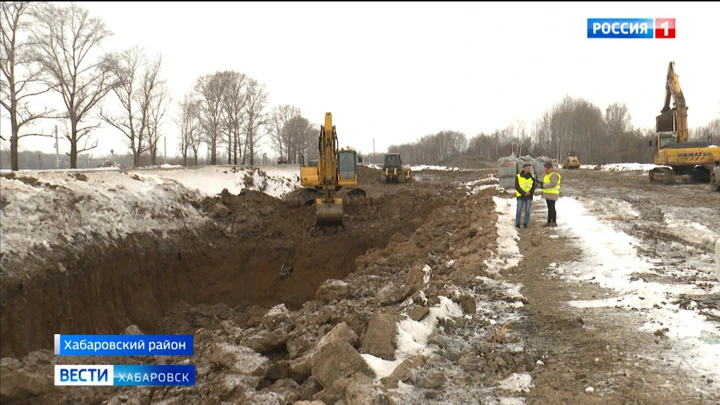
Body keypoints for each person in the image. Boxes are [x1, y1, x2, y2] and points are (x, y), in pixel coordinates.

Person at [540, 161, 562, 227]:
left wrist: (544, 185)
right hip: (548, 194)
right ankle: (549, 221)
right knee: (550, 208)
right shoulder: (548, 174)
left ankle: (554, 221)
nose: (544, 169)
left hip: (552, 194)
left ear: (549, 168)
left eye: (545, 168)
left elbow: (553, 183)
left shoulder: (553, 174)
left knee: (552, 208)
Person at [514, 162, 536, 228]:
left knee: (527, 210)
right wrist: (523, 193)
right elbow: (517, 186)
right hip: (521, 196)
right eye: (527, 168)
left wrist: (530, 192)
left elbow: (533, 186)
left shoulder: (532, 176)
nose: (528, 169)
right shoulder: (518, 176)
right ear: (523, 168)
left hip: (529, 196)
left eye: (529, 168)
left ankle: (525, 223)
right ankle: (517, 223)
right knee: (519, 210)